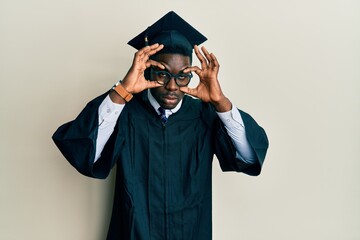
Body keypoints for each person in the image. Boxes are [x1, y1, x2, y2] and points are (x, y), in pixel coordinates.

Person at [52, 11, 269, 240]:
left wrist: (220, 102)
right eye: (163, 74)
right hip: (133, 233)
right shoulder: (125, 113)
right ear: (147, 70)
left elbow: (249, 157)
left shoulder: (204, 116)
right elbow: (84, 154)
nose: (173, 86)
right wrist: (122, 91)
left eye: (183, 76)